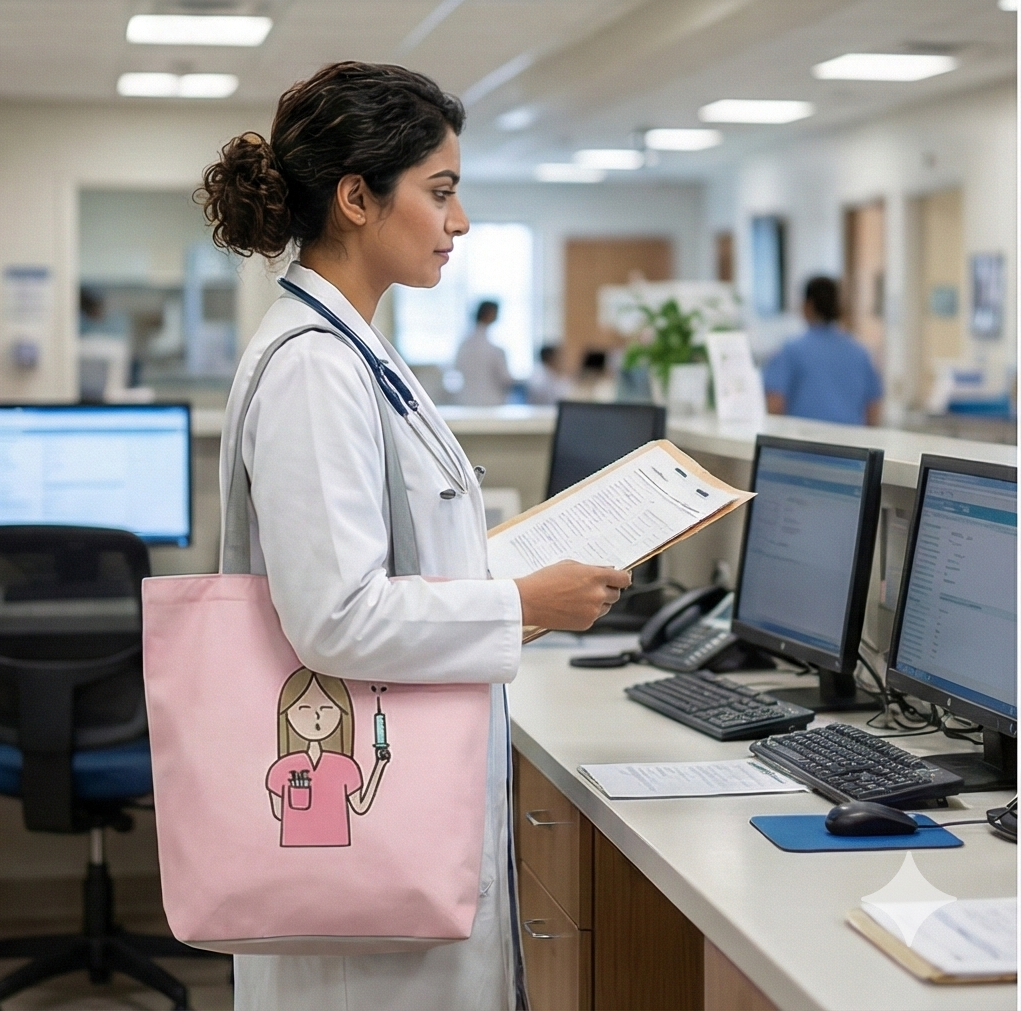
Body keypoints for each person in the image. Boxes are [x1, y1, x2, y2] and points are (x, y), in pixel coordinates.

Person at [198, 61, 630, 1011]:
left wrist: (510, 583)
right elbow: (335, 619)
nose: (459, 222)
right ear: (356, 197)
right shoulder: (315, 367)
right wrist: (520, 605)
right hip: (359, 891)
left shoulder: (354, 350)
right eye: (439, 193)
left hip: (399, 823)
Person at [763, 276, 883, 426]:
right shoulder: (860, 352)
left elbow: (775, 405)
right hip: (851, 445)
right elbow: (873, 410)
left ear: (808, 305)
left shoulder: (791, 350)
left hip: (802, 445)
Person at [454, 300, 514, 405]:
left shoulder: (464, 344)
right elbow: (505, 378)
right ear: (489, 314)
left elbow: (457, 367)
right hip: (491, 403)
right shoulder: (494, 350)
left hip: (466, 401)